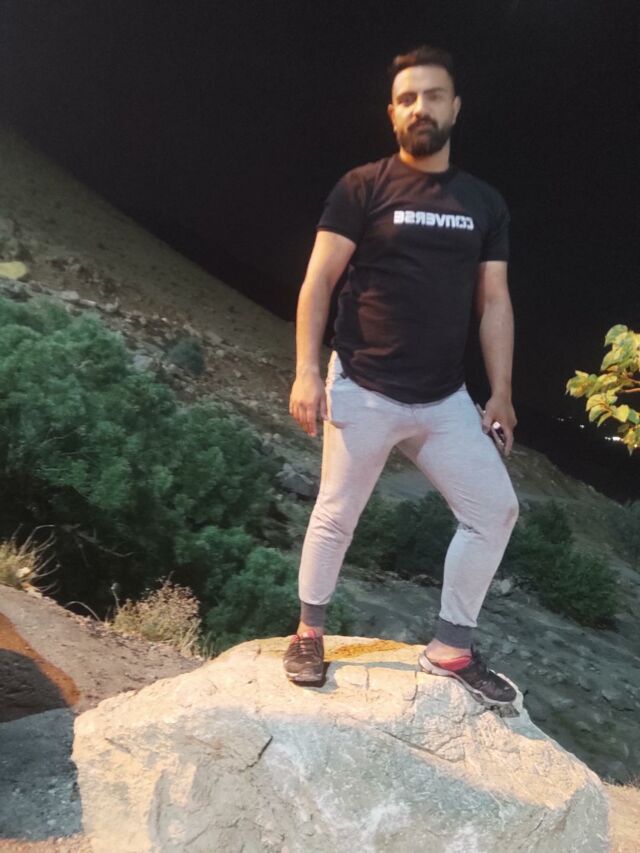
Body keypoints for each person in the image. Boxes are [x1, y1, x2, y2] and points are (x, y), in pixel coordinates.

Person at [283, 45, 520, 709]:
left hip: (443, 398)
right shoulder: (362, 187)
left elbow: (494, 302)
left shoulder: (484, 203)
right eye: (408, 98)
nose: (421, 107)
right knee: (337, 512)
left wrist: (501, 392)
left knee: (494, 510)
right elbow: (318, 281)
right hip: (363, 385)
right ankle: (308, 632)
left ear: (455, 108)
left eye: (433, 95)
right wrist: (306, 371)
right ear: (393, 113)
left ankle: (451, 647)